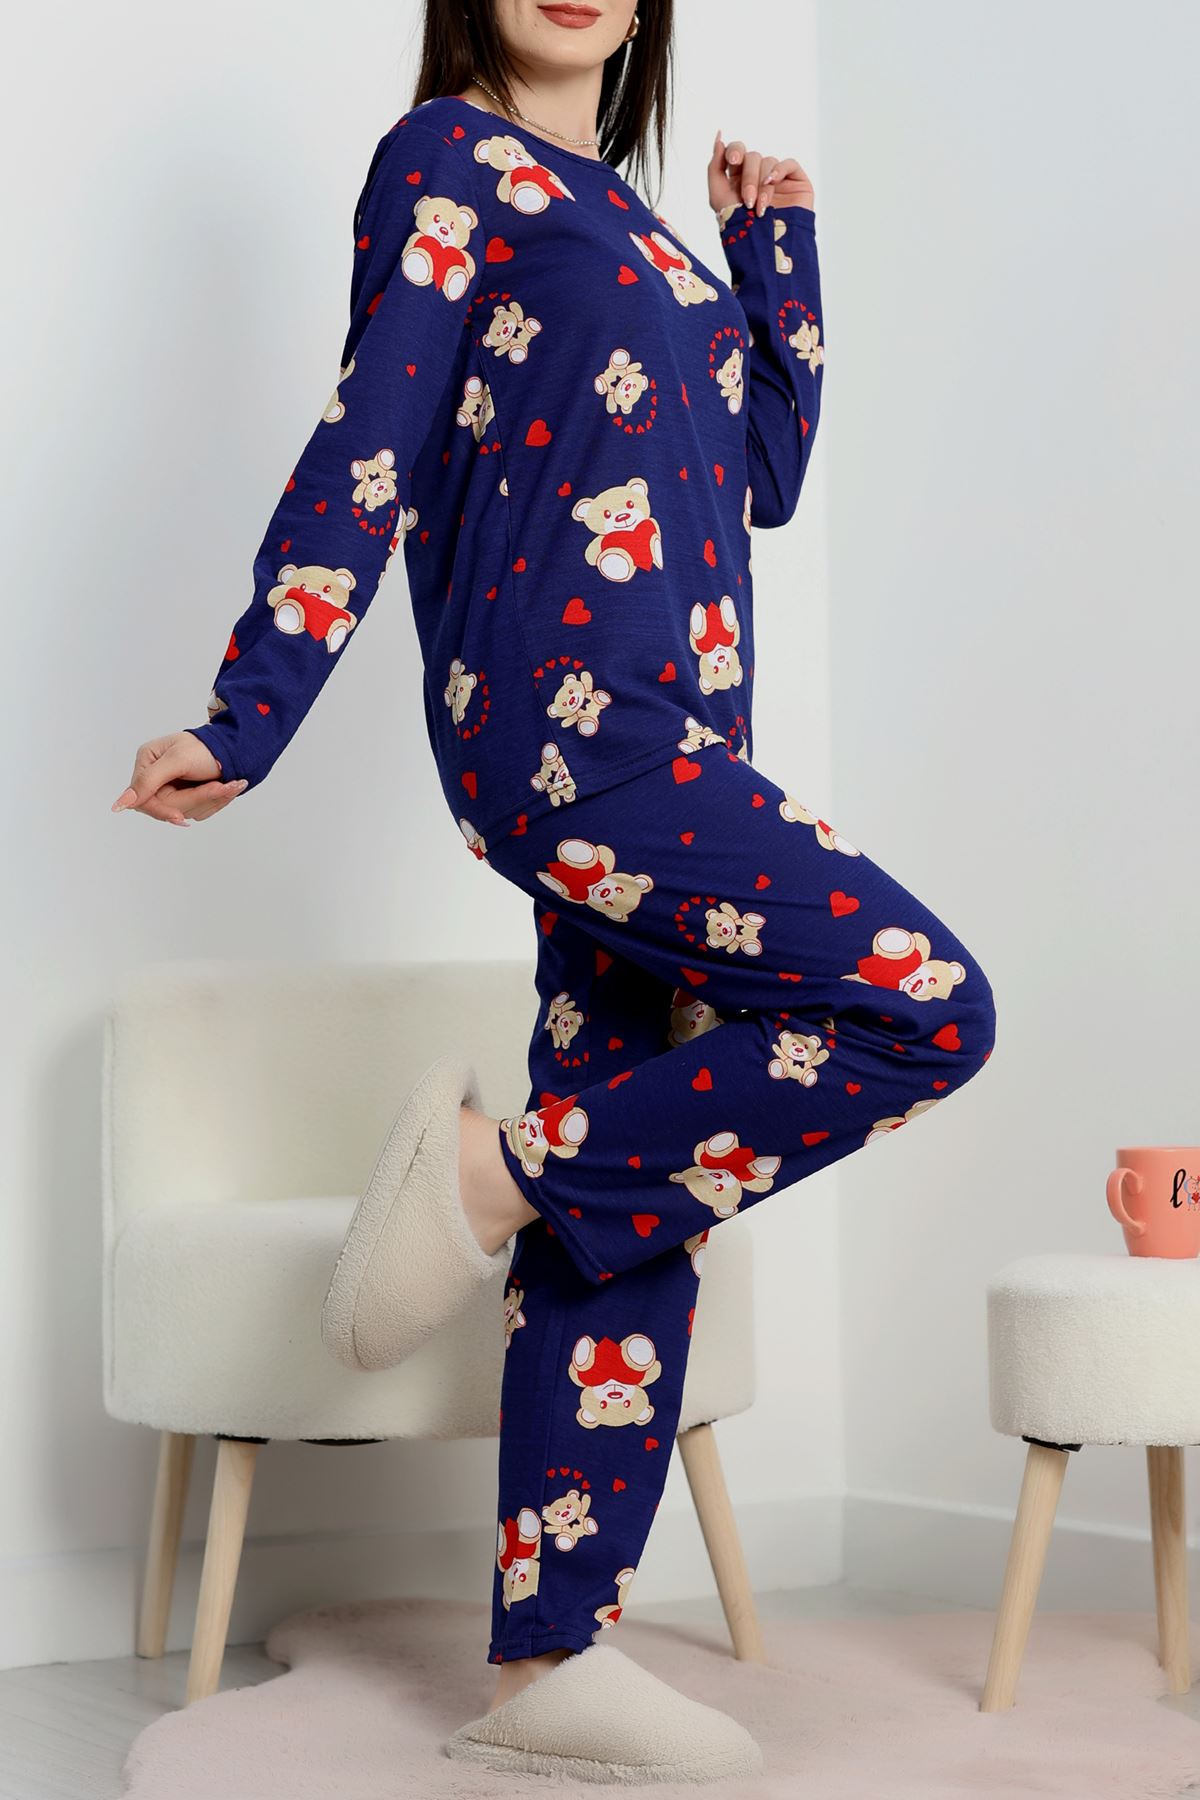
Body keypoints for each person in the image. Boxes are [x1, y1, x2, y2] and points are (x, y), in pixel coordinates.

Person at [112, 0, 997, 1782]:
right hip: (573, 724)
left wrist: (773, 249)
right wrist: (248, 711)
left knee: (642, 1174)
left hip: (681, 731)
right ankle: (490, 1171)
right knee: (925, 1004)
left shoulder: (640, 222)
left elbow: (761, 472)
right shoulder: (448, 158)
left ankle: (546, 1661)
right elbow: (368, 440)